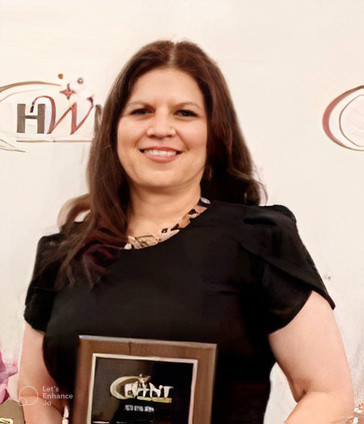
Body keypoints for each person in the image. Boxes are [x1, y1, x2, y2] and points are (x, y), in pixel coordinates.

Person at [18, 40, 354, 424]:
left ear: (214, 134)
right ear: (113, 130)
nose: (161, 128)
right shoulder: (62, 253)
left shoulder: (259, 239)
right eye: (141, 111)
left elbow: (328, 393)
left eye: (185, 113)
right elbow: (37, 393)